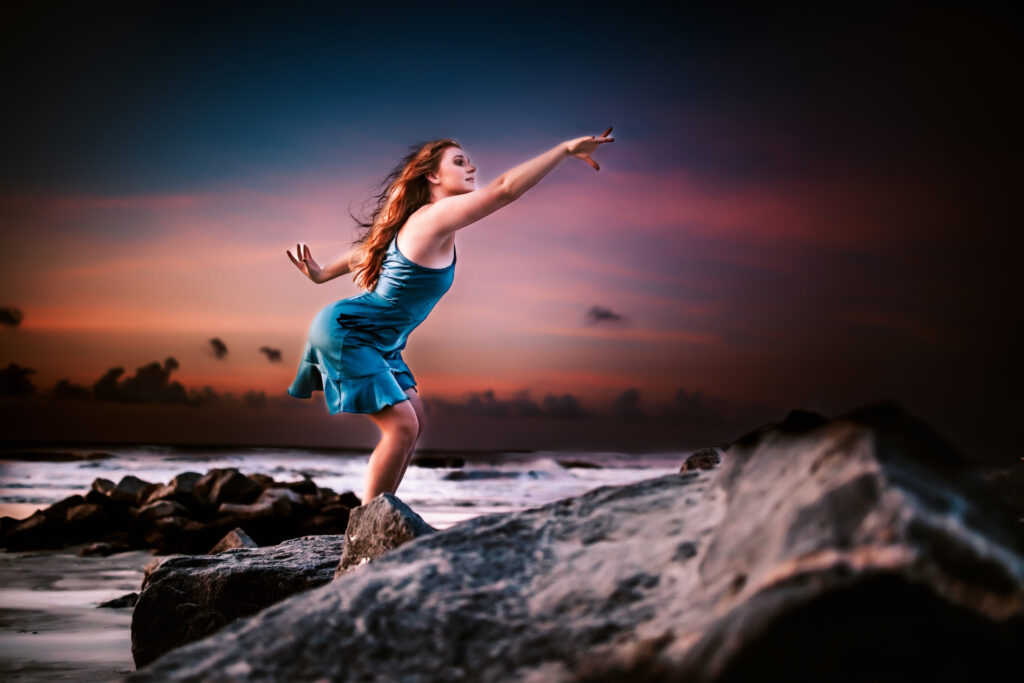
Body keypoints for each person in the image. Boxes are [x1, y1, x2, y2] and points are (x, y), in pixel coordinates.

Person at [285, 128, 614, 506]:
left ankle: (382, 518)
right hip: (350, 331)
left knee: (415, 421)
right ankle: (366, 530)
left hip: (378, 339)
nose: (472, 167)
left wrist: (322, 273)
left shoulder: (418, 222)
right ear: (433, 176)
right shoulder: (434, 217)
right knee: (403, 427)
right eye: (459, 162)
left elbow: (365, 251)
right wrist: (564, 149)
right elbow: (505, 188)